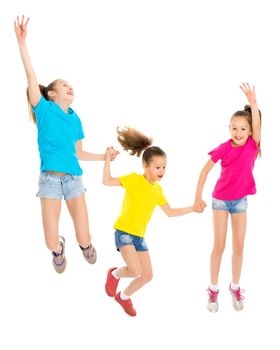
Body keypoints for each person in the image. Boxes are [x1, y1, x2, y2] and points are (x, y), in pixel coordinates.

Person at [14, 15, 118, 273]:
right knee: (50, 242)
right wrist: (22, 43)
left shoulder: (75, 119)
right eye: (64, 85)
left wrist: (105, 157)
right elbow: (30, 74)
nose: (69, 87)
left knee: (85, 237)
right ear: (51, 93)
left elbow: (79, 152)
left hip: (73, 180)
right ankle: (59, 248)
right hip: (49, 179)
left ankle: (84, 246)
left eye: (71, 86)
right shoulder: (44, 110)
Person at [103, 127, 203, 316]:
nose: (162, 171)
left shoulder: (157, 190)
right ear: (146, 166)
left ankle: (123, 297)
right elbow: (107, 181)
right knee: (134, 270)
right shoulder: (133, 179)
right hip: (124, 231)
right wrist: (107, 159)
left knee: (147, 275)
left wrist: (193, 207)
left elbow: (170, 212)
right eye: (158, 167)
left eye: (164, 167)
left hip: (139, 237)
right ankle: (114, 274)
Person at [194, 83, 261, 312]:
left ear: (251, 131)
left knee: (239, 246)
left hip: (240, 200)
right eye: (234, 128)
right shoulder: (224, 147)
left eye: (243, 129)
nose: (238, 133)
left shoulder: (253, 145)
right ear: (229, 129)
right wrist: (197, 199)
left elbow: (257, 123)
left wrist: (253, 102)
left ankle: (235, 286)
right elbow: (204, 171)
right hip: (220, 201)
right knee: (219, 245)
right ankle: (213, 290)